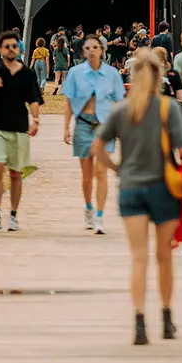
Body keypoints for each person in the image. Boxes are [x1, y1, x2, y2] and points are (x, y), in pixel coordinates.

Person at [93, 49, 182, 345]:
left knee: (138, 257)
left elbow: (97, 147)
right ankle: (167, 316)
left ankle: (138, 321)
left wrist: (118, 169)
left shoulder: (122, 110)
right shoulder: (168, 108)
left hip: (130, 188)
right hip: (162, 187)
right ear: (160, 76)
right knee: (164, 257)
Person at [0, 31, 43, 232]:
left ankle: (13, 215)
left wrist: (36, 119)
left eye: (14, 46)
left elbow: (33, 99)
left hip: (19, 129)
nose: (11, 50)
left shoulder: (27, 73)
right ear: (0, 50)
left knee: (15, 173)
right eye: (7, 46)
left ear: (19, 49)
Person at [62, 35, 125, 233]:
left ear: (102, 50)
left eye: (95, 47)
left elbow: (119, 101)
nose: (91, 51)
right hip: (83, 124)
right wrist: (66, 127)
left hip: (104, 126)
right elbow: (69, 102)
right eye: (87, 47)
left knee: (101, 171)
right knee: (87, 174)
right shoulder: (75, 73)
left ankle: (99, 215)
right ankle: (88, 207)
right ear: (83, 51)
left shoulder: (111, 73)